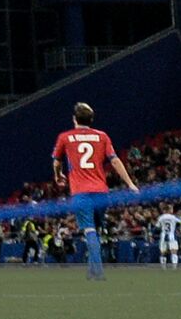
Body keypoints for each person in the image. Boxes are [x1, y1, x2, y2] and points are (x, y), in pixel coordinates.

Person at [52, 102, 138, 280]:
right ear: (91, 119)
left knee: (89, 231)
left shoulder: (65, 137)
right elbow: (114, 161)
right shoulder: (102, 136)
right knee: (96, 231)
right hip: (101, 191)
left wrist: (58, 175)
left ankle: (98, 271)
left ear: (74, 119)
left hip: (81, 192)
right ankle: (93, 270)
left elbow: (56, 161)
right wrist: (130, 183)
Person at [157, 204, 179, 269]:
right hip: (171, 236)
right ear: (169, 210)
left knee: (163, 252)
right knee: (174, 251)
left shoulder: (161, 217)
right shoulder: (173, 217)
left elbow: (157, 227)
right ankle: (174, 267)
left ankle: (163, 267)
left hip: (163, 236)